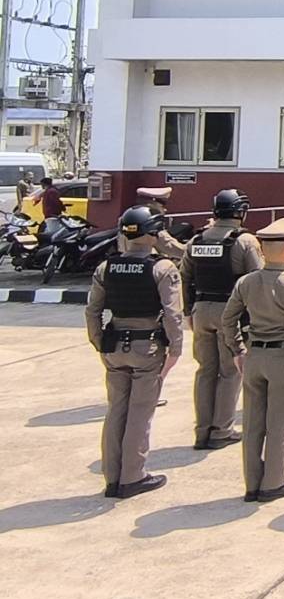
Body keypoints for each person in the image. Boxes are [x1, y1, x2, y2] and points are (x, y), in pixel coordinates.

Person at [85, 206, 184, 498]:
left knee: (116, 410)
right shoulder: (162, 268)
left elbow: (92, 310)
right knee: (140, 413)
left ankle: (112, 477)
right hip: (147, 348)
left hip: (113, 346)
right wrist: (175, 349)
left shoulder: (106, 267)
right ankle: (132, 477)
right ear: (153, 233)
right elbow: (172, 314)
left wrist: (98, 341)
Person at [221, 217, 284, 503]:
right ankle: (273, 482)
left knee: (252, 424)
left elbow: (228, 319)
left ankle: (252, 483)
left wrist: (237, 350)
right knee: (278, 424)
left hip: (255, 356)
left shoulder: (246, 282)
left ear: (262, 250)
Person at [181, 188, 263, 451]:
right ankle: (222, 431)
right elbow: (257, 279)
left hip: (201, 310)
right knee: (230, 372)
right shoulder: (245, 241)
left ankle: (202, 431)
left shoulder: (197, 240)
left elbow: (185, 277)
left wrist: (188, 311)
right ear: (241, 212)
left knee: (205, 371)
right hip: (231, 313)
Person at [137, 186, 186, 261]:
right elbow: (179, 251)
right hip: (148, 265)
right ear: (151, 206)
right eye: (162, 206)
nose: (165, 209)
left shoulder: (126, 220)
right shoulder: (151, 226)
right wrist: (200, 236)